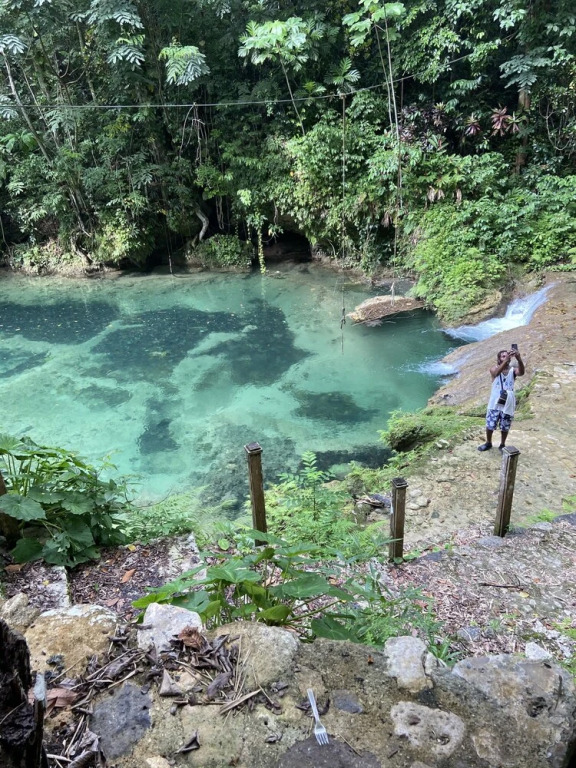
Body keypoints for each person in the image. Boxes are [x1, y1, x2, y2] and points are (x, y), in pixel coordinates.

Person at [477, 347, 525, 452]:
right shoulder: (493, 369)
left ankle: (502, 444)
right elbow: (496, 374)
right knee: (490, 424)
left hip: (507, 403)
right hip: (495, 402)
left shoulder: (512, 370)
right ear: (499, 359)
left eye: (507, 356)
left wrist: (519, 359)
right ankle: (488, 442)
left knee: (505, 425)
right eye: (503, 356)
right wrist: (506, 361)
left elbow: (521, 373)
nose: (505, 357)